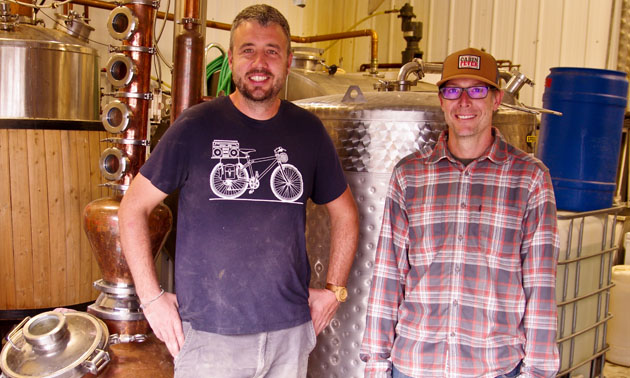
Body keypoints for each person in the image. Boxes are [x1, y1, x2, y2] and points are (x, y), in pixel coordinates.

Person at [118, 4, 359, 377]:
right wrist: (151, 300)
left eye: (271, 51)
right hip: (209, 338)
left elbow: (344, 213)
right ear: (231, 59)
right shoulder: (195, 126)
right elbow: (132, 209)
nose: (259, 62)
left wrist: (335, 290)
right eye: (248, 50)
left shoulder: (309, 131)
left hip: (289, 336)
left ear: (289, 61)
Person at [360, 47, 560, 378]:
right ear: (441, 100)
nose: (464, 101)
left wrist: (537, 372)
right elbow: (388, 275)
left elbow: (540, 287)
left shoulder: (530, 179)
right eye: (453, 90)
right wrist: (376, 364)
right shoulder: (409, 175)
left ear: (496, 99)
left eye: (477, 90)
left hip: (493, 367)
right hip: (414, 365)